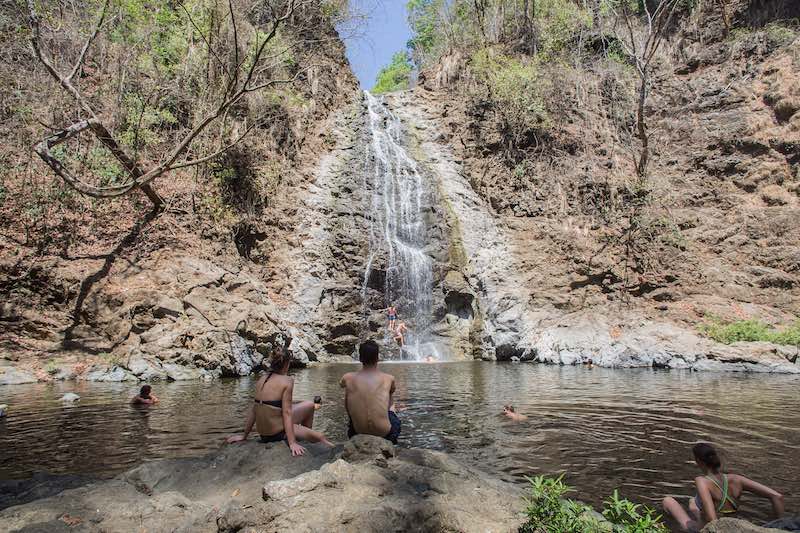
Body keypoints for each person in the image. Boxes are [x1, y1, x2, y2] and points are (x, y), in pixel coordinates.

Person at [227, 346, 332, 456]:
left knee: (310, 405)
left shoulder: (261, 379)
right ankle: (301, 439)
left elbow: (254, 410)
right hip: (277, 434)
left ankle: (303, 439)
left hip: (264, 433)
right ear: (286, 364)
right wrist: (292, 443)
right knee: (321, 438)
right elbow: (287, 413)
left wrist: (244, 436)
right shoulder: (287, 381)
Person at [662, 442, 784, 532]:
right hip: (734, 526)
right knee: (692, 502)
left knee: (668, 501)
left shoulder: (701, 481)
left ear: (698, 461)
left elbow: (712, 519)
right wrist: (777, 527)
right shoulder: (737, 479)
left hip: (712, 528)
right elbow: (777, 496)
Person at [340, 340, 401, 444]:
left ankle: (356, 421)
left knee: (349, 389)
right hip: (386, 434)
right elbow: (392, 391)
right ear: (378, 358)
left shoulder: (347, 377)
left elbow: (341, 384)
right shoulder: (389, 378)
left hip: (357, 432)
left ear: (360, 358)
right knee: (390, 394)